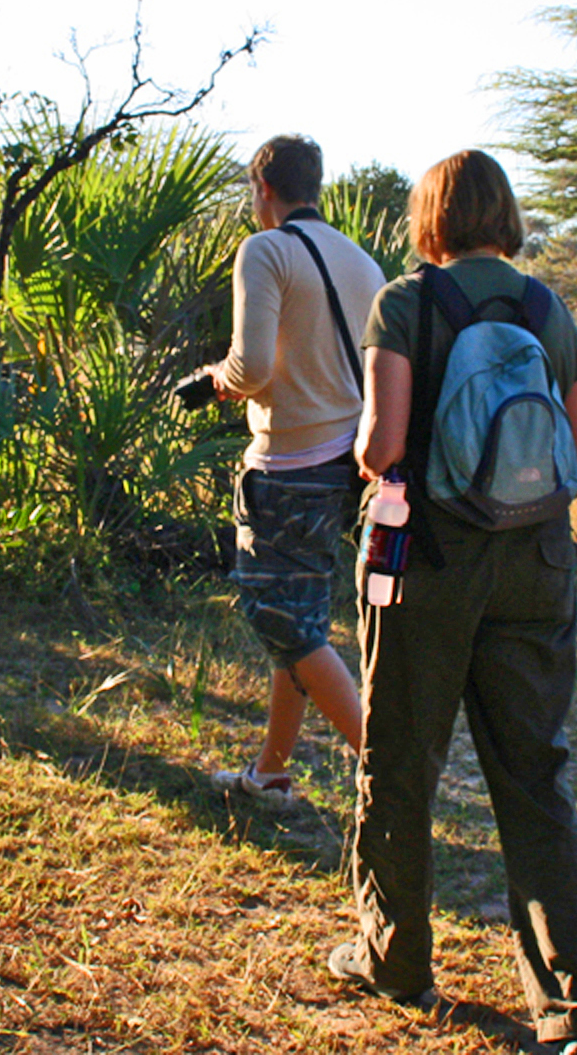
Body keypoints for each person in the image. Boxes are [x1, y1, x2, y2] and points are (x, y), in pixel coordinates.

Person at [335, 149, 577, 1055]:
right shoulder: (548, 310)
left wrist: (371, 456)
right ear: (506, 215)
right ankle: (575, 1015)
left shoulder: (403, 305)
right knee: (536, 783)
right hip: (537, 563)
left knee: (402, 763)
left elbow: (380, 449)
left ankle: (397, 959)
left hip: (431, 566)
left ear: (431, 219)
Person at [208, 135, 385, 807]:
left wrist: (218, 382)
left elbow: (251, 369)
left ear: (263, 190)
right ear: (316, 184)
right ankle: (271, 773)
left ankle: (387, 766)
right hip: (345, 466)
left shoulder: (267, 249)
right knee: (300, 616)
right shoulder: (361, 260)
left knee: (278, 615)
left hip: (287, 463)